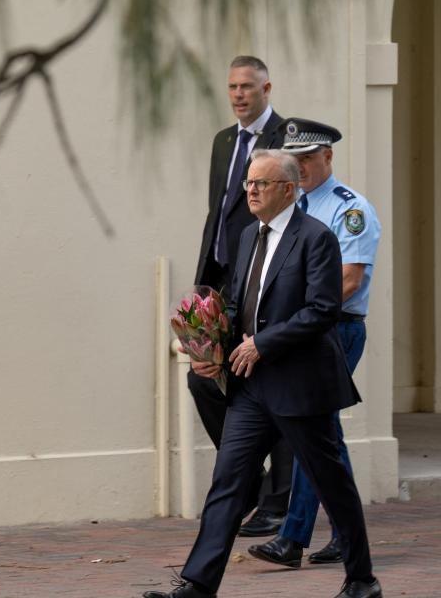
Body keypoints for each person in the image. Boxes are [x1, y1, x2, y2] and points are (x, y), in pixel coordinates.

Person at [144, 150, 381, 598]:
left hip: (301, 384)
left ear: (288, 190)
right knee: (228, 482)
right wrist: (213, 346)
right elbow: (237, 303)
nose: (250, 191)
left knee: (332, 483)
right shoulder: (248, 236)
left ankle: (362, 579)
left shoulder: (317, 238)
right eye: (249, 183)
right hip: (251, 386)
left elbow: (323, 310)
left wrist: (262, 344)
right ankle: (197, 584)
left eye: (261, 184)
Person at [248, 118, 381, 568]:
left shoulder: (349, 209)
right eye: (295, 160)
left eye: (308, 158)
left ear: (328, 156)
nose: (300, 167)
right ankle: (340, 533)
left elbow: (349, 279)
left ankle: (295, 537)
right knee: (324, 436)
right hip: (297, 333)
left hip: (334, 328)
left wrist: (288, 321)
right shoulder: (288, 207)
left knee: (316, 432)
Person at [189, 55, 293, 537]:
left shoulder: (286, 138)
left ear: (266, 88)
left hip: (265, 278)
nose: (238, 95)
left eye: (247, 87)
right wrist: (204, 286)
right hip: (223, 281)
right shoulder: (222, 141)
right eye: (232, 87)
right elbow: (219, 215)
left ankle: (278, 503)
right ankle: (251, 481)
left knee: (273, 386)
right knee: (206, 380)